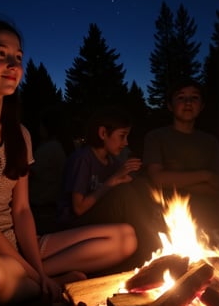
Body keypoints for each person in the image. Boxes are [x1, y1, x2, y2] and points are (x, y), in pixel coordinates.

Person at [0, 19, 138, 306]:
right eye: (0, 54)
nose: (13, 64)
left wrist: (35, 269)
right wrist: (35, 274)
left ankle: (22, 288)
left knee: (125, 238)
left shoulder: (20, 134)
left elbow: (22, 210)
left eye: (18, 57)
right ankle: (41, 287)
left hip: (13, 241)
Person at [56, 106, 160, 267]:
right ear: (103, 133)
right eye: (122, 136)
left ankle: (154, 244)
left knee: (140, 185)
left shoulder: (112, 161)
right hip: (74, 222)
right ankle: (149, 250)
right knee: (124, 194)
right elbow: (78, 208)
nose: (125, 143)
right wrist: (112, 181)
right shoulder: (83, 159)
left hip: (99, 218)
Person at [142, 78, 219, 248]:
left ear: (202, 106)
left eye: (194, 98)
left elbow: (218, 186)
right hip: (168, 214)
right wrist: (204, 175)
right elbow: (158, 178)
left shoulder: (210, 142)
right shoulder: (156, 137)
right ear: (170, 105)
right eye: (181, 97)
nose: (188, 102)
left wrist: (175, 179)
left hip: (209, 215)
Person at [29, 106, 75, 234]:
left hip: (43, 208)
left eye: (41, 125)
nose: (39, 129)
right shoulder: (63, 147)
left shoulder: (48, 149)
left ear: (47, 127)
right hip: (56, 207)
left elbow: (28, 174)